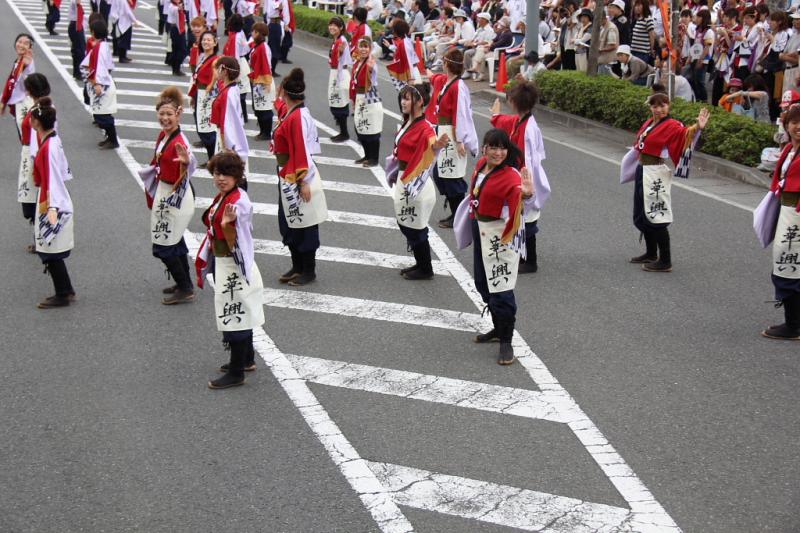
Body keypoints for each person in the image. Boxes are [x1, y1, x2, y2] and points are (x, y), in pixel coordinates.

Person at [453, 128, 533, 365]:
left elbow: (518, 201)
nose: (498, 153)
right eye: (493, 147)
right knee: (482, 283)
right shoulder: (480, 166)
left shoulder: (511, 176)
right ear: (485, 148)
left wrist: (526, 195)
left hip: (501, 235)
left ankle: (507, 340)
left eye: (502, 148)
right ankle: (499, 327)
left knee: (501, 288)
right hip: (482, 230)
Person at [196, 152, 264, 389]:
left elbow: (237, 238)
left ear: (237, 176)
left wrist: (226, 226)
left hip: (233, 263)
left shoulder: (238, 202)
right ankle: (246, 359)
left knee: (234, 312)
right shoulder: (226, 195)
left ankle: (237, 372)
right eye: (216, 173)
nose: (220, 178)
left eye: (226, 173)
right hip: (224, 260)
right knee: (240, 309)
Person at [621, 93, 709, 272]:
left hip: (655, 172)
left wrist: (697, 127)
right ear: (650, 107)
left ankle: (665, 260)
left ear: (668, 106)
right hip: (642, 169)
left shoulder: (672, 125)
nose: (659, 109)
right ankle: (651, 252)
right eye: (655, 106)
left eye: (662, 106)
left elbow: (685, 134)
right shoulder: (650, 123)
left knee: (656, 214)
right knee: (641, 213)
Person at [138, 86, 197, 305]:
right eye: (161, 114)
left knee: (164, 244)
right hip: (166, 191)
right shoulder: (165, 135)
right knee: (174, 239)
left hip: (175, 194)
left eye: (169, 114)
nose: (165, 118)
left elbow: (189, 167)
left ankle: (185, 288)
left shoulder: (179, 141)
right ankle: (184, 283)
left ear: (179, 114)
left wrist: (185, 164)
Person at [386, 83, 449, 280]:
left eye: (408, 98)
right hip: (405, 179)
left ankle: (425, 267)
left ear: (420, 102)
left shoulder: (426, 127)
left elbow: (432, 142)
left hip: (416, 184)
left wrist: (436, 146)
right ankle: (421, 263)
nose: (403, 102)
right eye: (402, 98)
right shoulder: (408, 122)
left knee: (415, 226)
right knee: (405, 223)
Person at [271, 68, 328, 286]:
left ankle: (308, 269)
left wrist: (303, 181)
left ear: (285, 91)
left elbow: (302, 151)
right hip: (288, 173)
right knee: (290, 220)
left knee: (304, 222)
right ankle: (297, 265)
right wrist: (278, 98)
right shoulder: (292, 112)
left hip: (298, 174)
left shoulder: (297, 118)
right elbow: (281, 110)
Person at [489, 82, 551, 274]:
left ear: (514, 102)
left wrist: (525, 186)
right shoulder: (523, 121)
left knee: (528, 217)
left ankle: (530, 260)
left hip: (525, 176)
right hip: (523, 174)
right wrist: (496, 116)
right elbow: (506, 122)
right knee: (524, 216)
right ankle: (524, 256)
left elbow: (528, 161)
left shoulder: (526, 129)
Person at [30, 97, 76, 308]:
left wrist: (52, 208)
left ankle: (63, 293)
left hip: (50, 199)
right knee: (49, 247)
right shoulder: (52, 139)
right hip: (52, 195)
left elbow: (53, 179)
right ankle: (65, 289)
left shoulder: (48, 146)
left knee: (49, 248)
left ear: (36, 122)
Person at [759, 105, 800, 340]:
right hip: (785, 209)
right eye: (794, 122)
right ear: (786, 125)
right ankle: (793, 321)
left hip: (796, 213)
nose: (798, 127)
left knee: (789, 265)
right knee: (787, 264)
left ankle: (793, 325)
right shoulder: (787, 150)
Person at [427, 48, 478, 228]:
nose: (442, 62)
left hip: (452, 133)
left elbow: (460, 115)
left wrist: (460, 140)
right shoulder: (449, 82)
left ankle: (459, 214)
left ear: (448, 63)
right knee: (441, 173)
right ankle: (456, 211)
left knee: (450, 175)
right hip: (444, 131)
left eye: (444, 60)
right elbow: (432, 77)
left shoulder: (457, 86)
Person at [18, 73, 51, 249]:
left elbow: (39, 137)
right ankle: (38, 236)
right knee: (31, 198)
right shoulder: (40, 105)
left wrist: (35, 163)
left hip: (34, 155)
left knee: (33, 199)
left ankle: (41, 237)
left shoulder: (40, 110)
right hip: (30, 154)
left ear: (30, 90)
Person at [81, 19, 119, 149]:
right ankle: (110, 137)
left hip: (101, 84)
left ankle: (113, 140)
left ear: (93, 32)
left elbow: (97, 67)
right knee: (101, 113)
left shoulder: (98, 48)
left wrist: (97, 83)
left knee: (101, 115)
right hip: (104, 82)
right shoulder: (103, 45)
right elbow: (107, 66)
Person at [210, 56, 249, 167]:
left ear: (224, 71)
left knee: (226, 171)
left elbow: (226, 122)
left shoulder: (228, 93)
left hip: (227, 137)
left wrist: (226, 146)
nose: (216, 72)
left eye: (218, 69)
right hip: (232, 134)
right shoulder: (231, 88)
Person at [350, 36, 383, 167]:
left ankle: (373, 158)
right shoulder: (357, 63)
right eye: (361, 46)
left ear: (370, 49)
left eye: (366, 46)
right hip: (359, 97)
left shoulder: (371, 63)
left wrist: (371, 58)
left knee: (372, 128)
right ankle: (367, 155)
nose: (363, 49)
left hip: (370, 98)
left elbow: (378, 48)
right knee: (360, 127)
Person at [188, 30, 218, 163]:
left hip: (207, 96)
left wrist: (208, 91)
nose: (206, 42)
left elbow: (216, 78)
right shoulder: (202, 57)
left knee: (207, 129)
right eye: (204, 39)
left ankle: (213, 158)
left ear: (215, 43)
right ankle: (211, 158)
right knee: (201, 127)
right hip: (199, 93)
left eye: (209, 40)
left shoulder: (215, 60)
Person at [1, 34, 36, 136]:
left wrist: (3, 101)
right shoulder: (19, 60)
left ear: (30, 47)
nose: (21, 45)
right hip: (18, 102)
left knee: (26, 138)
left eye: (26, 43)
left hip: (23, 103)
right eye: (19, 41)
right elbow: (11, 80)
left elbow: (13, 82)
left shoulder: (25, 61)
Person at [249, 22, 276, 141]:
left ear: (259, 33)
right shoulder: (257, 46)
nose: (252, 34)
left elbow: (265, 65)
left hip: (264, 80)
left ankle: (266, 132)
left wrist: (267, 82)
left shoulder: (263, 47)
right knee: (259, 107)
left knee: (265, 108)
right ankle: (262, 131)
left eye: (254, 32)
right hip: (258, 79)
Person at [327, 17, 352, 142]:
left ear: (341, 28)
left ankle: (344, 133)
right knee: (336, 102)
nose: (332, 27)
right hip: (336, 73)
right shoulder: (337, 40)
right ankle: (342, 131)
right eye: (330, 25)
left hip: (340, 74)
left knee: (339, 104)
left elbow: (339, 58)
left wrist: (340, 53)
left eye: (335, 25)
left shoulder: (341, 41)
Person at [222, 14, 250, 122]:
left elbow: (235, 56)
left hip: (238, 65)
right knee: (241, 91)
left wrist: (233, 71)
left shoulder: (235, 37)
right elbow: (246, 48)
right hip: (243, 63)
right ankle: (244, 115)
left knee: (239, 92)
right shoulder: (240, 33)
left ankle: (242, 115)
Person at [385, 18, 422, 90]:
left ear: (397, 30)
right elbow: (400, 52)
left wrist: (411, 78)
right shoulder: (404, 41)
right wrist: (390, 46)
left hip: (410, 73)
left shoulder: (404, 43)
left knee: (410, 97)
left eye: (393, 29)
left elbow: (408, 60)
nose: (392, 31)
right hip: (408, 72)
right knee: (406, 97)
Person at [630, 0, 656, 65]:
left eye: (639, 5)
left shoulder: (648, 19)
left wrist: (651, 49)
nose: (637, 7)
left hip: (642, 52)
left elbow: (651, 35)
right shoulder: (637, 19)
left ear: (644, 6)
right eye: (636, 5)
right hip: (634, 50)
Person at [166, 0, 188, 76]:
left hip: (179, 29)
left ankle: (176, 68)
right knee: (181, 49)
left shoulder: (176, 6)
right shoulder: (173, 6)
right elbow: (175, 10)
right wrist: (179, 8)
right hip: (176, 29)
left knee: (178, 49)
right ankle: (176, 68)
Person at [68, 0, 87, 78]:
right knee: (79, 52)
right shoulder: (76, 2)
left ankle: (77, 72)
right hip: (76, 26)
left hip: (77, 26)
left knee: (77, 51)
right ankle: (78, 72)